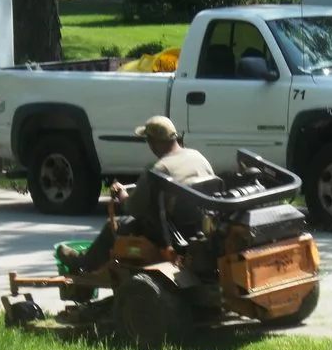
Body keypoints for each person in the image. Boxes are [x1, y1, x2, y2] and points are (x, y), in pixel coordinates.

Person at [56, 115, 215, 273]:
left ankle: (83, 263)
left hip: (168, 233)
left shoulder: (158, 170)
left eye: (148, 141)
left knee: (114, 227)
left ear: (153, 142)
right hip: (198, 227)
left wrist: (120, 193)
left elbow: (133, 208)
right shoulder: (197, 156)